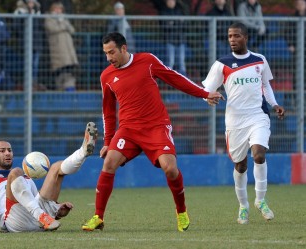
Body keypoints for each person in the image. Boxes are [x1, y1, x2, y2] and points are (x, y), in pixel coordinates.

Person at [81, 32, 224, 232]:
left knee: (170, 169)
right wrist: (108, 140)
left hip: (156, 126)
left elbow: (174, 78)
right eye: (105, 53)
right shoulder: (106, 76)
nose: (108, 58)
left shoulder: (147, 61)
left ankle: (181, 211)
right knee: (109, 162)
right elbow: (108, 112)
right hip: (128, 129)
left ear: (123, 48)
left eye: (111, 52)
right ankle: (98, 217)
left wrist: (204, 93)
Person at [202, 22, 285, 224]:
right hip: (235, 121)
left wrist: (274, 104)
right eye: (230, 36)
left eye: (236, 36)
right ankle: (243, 205)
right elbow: (207, 90)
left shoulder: (260, 60)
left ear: (245, 38)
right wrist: (209, 98)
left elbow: (265, 85)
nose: (232, 39)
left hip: (258, 115)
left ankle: (260, 200)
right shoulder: (222, 64)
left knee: (258, 153)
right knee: (240, 165)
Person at [0, 122, 98, 233]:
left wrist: (57, 210)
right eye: (2, 151)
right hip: (14, 221)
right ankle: (42, 217)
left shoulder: (25, 178)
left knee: (56, 168)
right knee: (15, 172)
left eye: (10, 150)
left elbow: (36, 200)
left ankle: (83, 152)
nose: (8, 153)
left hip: (37, 221)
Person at [44, 1, 79, 91]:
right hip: (57, 48)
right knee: (60, 70)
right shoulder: (49, 18)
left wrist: (63, 23)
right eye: (56, 9)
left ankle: (69, 88)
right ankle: (61, 89)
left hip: (68, 49)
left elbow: (72, 30)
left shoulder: (64, 19)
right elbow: (52, 29)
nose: (58, 11)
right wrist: (63, 25)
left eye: (60, 9)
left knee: (69, 69)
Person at [14, 0, 46, 90]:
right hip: (26, 43)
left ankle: (33, 83)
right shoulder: (20, 12)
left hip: (37, 43)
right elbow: (17, 28)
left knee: (35, 65)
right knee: (27, 65)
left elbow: (41, 27)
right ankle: (27, 84)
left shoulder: (38, 12)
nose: (31, 4)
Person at [159, 0, 187, 76]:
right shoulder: (163, 12)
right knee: (170, 62)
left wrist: (173, 23)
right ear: (166, 2)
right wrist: (177, 22)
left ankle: (184, 82)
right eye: (169, 1)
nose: (171, 2)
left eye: (173, 1)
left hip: (180, 40)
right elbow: (165, 26)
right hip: (169, 40)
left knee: (181, 63)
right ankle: (169, 82)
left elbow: (184, 25)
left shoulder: (179, 11)